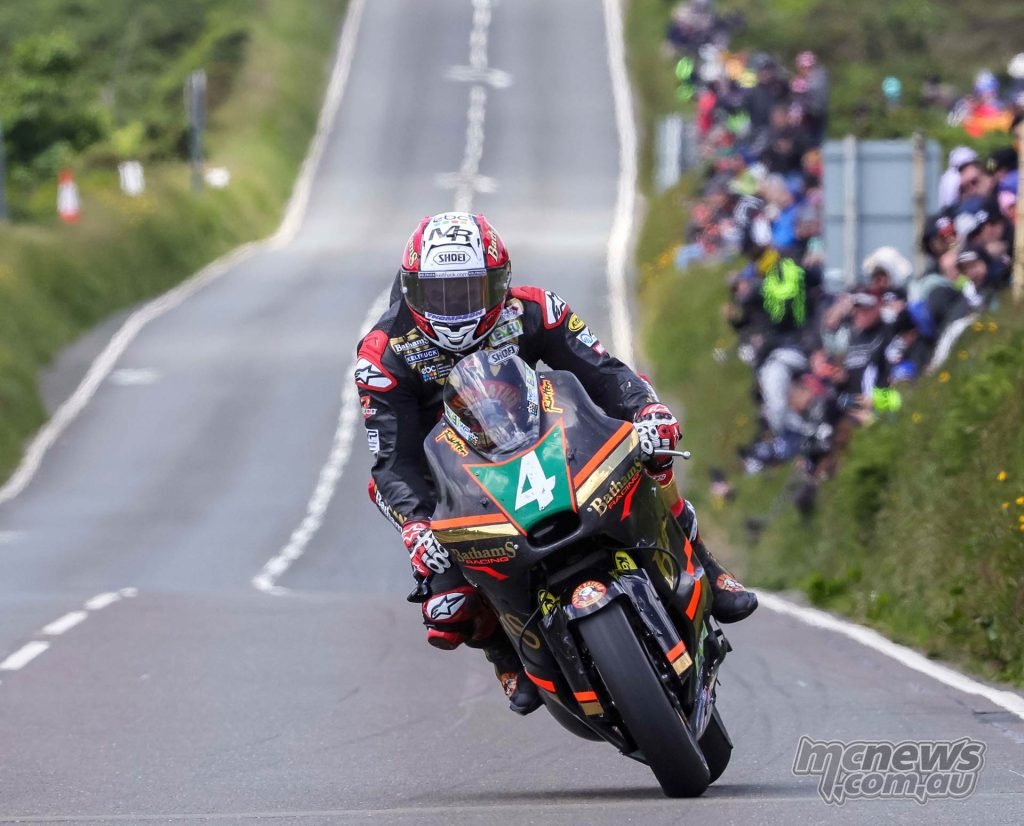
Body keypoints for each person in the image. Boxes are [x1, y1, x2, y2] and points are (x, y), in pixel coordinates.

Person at [355, 212, 758, 714]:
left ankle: (705, 566)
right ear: (411, 290)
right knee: (447, 607)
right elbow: (392, 459)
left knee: (648, 452)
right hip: (453, 474)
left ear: (499, 282)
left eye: (469, 291)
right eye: (439, 294)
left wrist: (646, 411)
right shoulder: (383, 357)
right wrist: (417, 524)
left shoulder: (536, 309)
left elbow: (604, 373)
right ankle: (505, 652)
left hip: (541, 436)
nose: (455, 308)